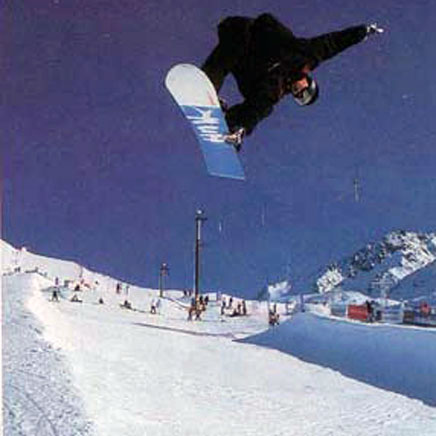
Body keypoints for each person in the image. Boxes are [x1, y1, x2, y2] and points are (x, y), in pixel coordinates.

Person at [202, 13, 384, 150]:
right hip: (249, 31)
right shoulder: (307, 56)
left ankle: (231, 125)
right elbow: (333, 43)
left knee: (263, 104)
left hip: (246, 61)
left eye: (298, 98)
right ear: (309, 82)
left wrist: (243, 127)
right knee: (235, 45)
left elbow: (259, 109)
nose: (297, 93)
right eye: (303, 93)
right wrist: (362, 32)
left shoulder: (276, 89)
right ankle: (208, 83)